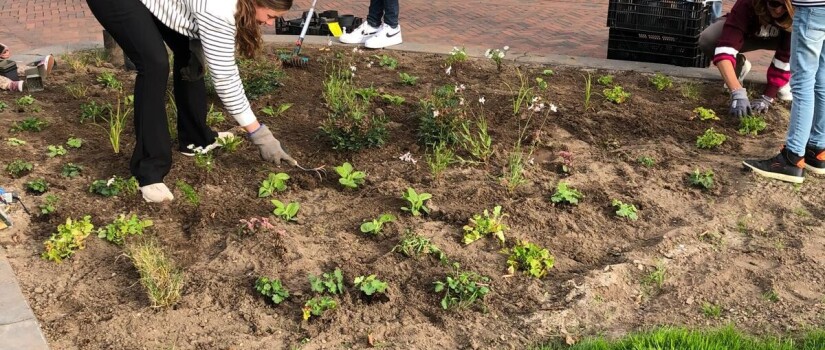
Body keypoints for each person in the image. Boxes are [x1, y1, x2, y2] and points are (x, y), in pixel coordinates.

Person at [84, 0, 297, 203]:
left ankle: (195, 139)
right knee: (153, 65)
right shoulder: (218, 9)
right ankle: (149, 171)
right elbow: (225, 79)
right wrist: (260, 135)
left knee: (190, 53)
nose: (270, 23)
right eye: (270, 16)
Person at [742, 0, 825, 183]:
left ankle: (792, 158)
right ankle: (817, 150)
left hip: (811, 7)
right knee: (821, 79)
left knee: (803, 82)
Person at [698, 0, 794, 118]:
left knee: (804, 43)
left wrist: (769, 96)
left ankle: (785, 80)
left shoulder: (797, 12)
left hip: (776, 38)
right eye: (774, 3)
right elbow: (725, 49)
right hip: (748, 34)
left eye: (784, 7)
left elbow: (785, 55)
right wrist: (736, 91)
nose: (778, 10)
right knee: (709, 40)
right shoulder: (747, 3)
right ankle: (738, 65)